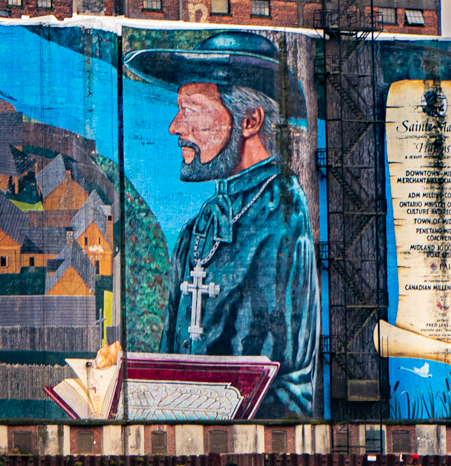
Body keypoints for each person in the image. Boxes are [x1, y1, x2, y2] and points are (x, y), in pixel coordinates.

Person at [125, 30, 317, 418]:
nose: (175, 127)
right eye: (179, 110)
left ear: (249, 120)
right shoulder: (196, 232)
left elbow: (295, 390)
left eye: (192, 110)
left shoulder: (284, 218)